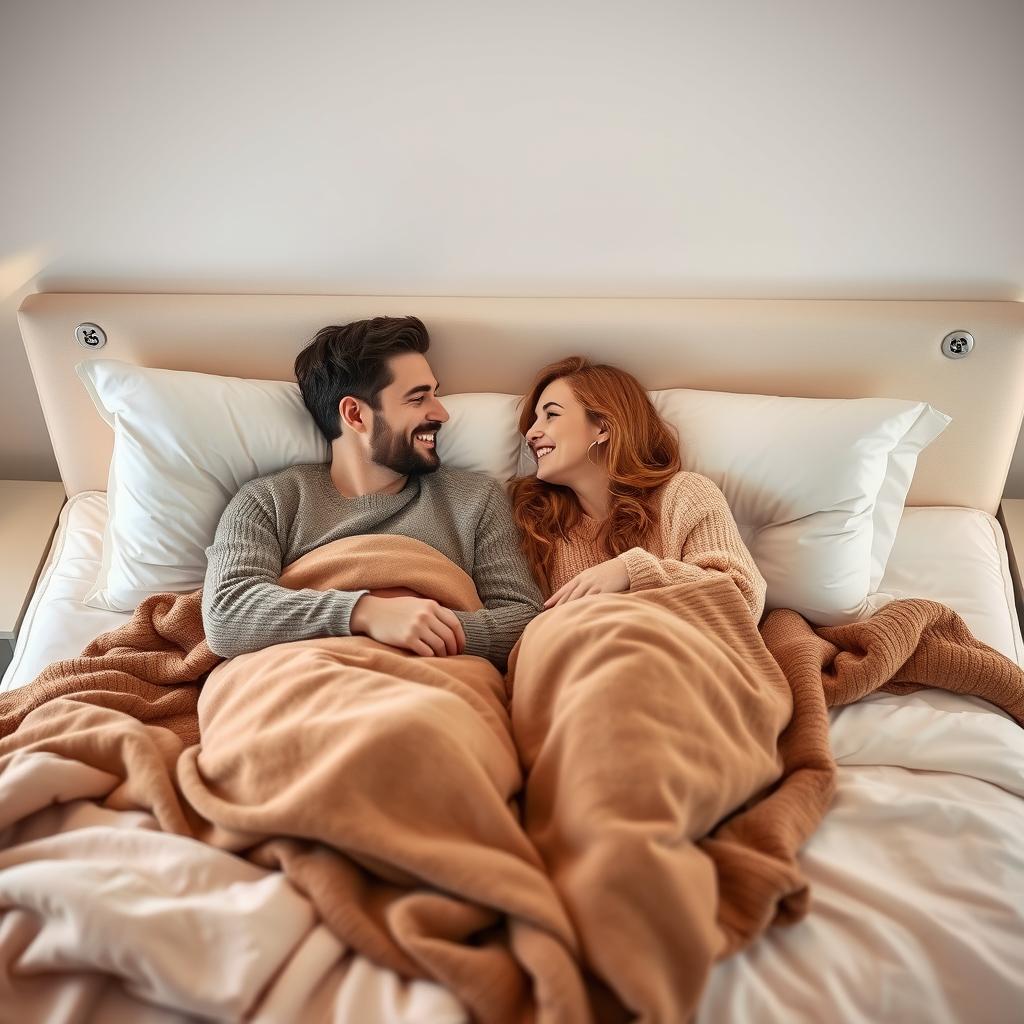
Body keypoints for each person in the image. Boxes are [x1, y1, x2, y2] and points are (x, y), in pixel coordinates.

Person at [202, 315, 543, 670]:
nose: (441, 413)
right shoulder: (267, 501)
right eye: (418, 398)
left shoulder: (475, 499)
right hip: (299, 675)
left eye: (435, 394)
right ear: (355, 414)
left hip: (432, 679)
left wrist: (426, 627)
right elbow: (227, 613)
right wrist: (365, 614)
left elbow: (524, 622)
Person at [511, 355, 766, 619]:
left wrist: (630, 572)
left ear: (603, 427)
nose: (531, 433)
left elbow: (743, 599)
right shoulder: (535, 523)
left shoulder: (685, 494)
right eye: (533, 420)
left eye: (551, 415)